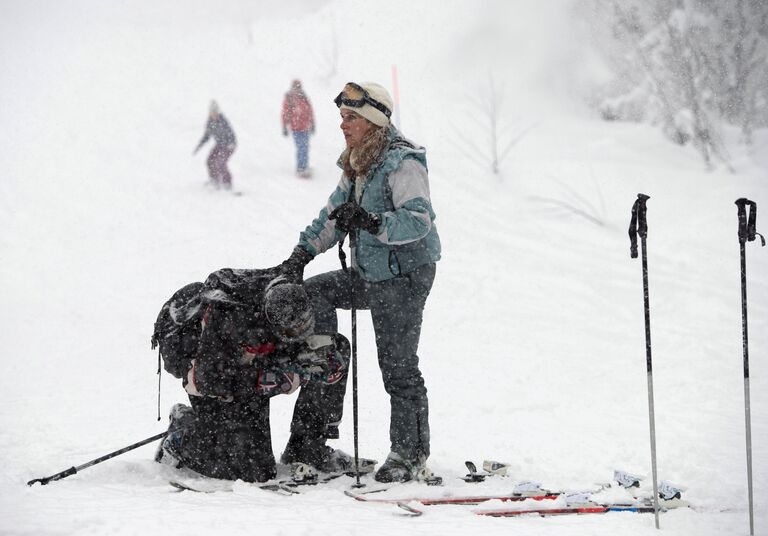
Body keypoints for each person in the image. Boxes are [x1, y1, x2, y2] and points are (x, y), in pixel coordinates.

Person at [279, 82, 441, 483]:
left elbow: (418, 222)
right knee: (314, 292)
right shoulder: (358, 162)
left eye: (351, 118)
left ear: (372, 122)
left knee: (398, 365)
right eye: (342, 117)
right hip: (370, 271)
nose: (342, 124)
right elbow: (332, 214)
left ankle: (409, 453)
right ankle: (311, 437)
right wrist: (300, 256)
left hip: (403, 275)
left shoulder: (403, 162)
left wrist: (370, 222)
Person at [154, 267, 374, 483]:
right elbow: (207, 381)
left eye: (305, 328)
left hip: (249, 357)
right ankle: (183, 436)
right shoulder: (230, 321)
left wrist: (318, 362)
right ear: (270, 321)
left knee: (332, 353)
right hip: (207, 370)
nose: (300, 337)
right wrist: (272, 380)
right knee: (254, 472)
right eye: (292, 333)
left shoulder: (288, 294)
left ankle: (307, 449)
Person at [193, 100, 237, 190]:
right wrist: (199, 146)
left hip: (229, 145)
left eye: (215, 112)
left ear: (218, 111)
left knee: (220, 163)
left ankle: (227, 183)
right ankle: (214, 180)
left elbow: (230, 134)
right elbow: (207, 135)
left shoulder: (223, 121)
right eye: (212, 112)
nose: (214, 114)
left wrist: (231, 144)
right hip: (220, 145)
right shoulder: (210, 122)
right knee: (210, 161)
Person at [281, 80, 315, 178]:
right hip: (296, 127)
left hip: (305, 127)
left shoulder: (304, 97)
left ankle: (305, 166)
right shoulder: (289, 99)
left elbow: (310, 110)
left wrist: (312, 124)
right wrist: (284, 126)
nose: (297, 89)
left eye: (299, 87)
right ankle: (301, 168)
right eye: (296, 87)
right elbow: (285, 113)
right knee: (301, 147)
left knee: (306, 147)